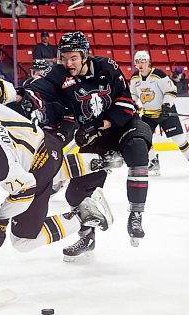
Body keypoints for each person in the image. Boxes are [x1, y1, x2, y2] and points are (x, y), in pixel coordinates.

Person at [0, 79, 124, 259]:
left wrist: (0, 221)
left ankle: (83, 216)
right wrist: (16, 95)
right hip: (47, 143)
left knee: (22, 241)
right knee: (48, 170)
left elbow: (26, 189)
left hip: (37, 167)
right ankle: (99, 160)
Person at [23, 31, 153, 250]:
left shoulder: (107, 67)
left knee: (137, 148)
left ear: (85, 56)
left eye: (73, 57)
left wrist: (101, 125)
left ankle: (136, 214)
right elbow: (33, 90)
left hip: (123, 125)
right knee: (74, 193)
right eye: (63, 57)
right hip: (93, 137)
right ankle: (87, 237)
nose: (68, 62)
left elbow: (126, 102)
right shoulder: (58, 74)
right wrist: (18, 98)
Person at [130, 51, 189, 175]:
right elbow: (133, 95)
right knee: (143, 139)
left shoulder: (158, 75)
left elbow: (171, 90)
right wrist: (132, 106)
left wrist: (166, 105)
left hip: (165, 112)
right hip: (148, 114)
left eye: (143, 61)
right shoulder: (135, 78)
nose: (140, 64)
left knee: (178, 139)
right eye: (138, 62)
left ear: (148, 62)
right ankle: (153, 161)